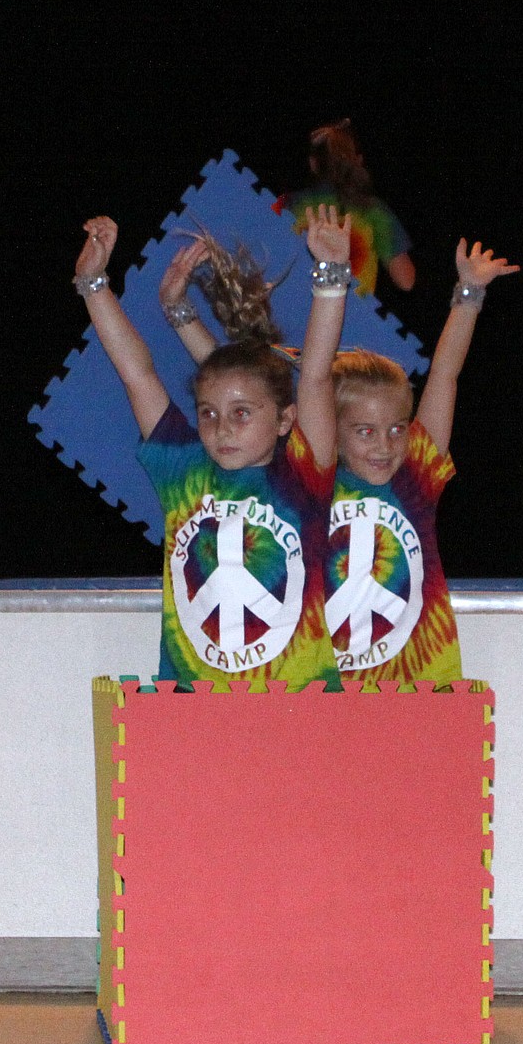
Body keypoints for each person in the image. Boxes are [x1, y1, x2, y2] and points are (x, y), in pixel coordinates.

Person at [72, 206, 352, 692]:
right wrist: (93, 284)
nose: (222, 428)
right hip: (192, 704)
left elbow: (315, 377)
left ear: (285, 420)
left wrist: (331, 276)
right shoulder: (182, 470)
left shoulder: (303, 478)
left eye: (242, 413)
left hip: (302, 703)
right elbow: (138, 375)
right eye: (208, 413)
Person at [326, 239, 520, 690]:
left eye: (397, 428)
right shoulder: (307, 483)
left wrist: (469, 294)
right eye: (365, 431)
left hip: (423, 686)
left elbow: (445, 375)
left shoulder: (416, 475)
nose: (384, 445)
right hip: (329, 691)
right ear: (331, 431)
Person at [275, 118, 416, 297]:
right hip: (349, 314)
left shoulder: (285, 203)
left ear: (313, 163)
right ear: (358, 161)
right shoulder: (374, 211)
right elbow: (406, 281)